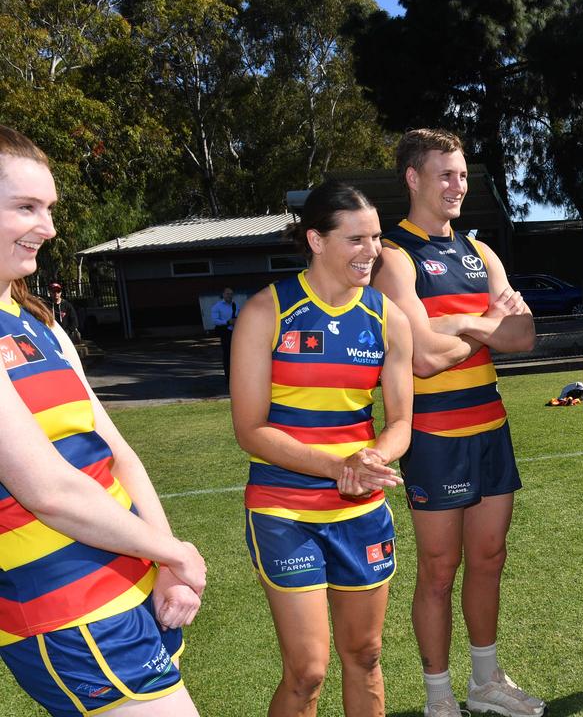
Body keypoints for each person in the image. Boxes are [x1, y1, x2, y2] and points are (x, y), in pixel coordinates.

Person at [0, 125, 208, 716]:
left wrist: (166, 558)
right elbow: (49, 492)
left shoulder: (37, 320)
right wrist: (174, 551)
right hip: (66, 605)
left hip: (133, 581)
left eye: (49, 208)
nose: (49, 226)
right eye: (26, 207)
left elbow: (117, 452)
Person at [371, 128, 541, 717]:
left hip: (490, 426)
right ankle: (439, 697)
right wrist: (485, 321)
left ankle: (485, 683)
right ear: (413, 179)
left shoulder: (480, 252)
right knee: (440, 569)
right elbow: (417, 355)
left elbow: (524, 336)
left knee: (489, 557)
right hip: (435, 435)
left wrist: (457, 326)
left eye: (462, 174)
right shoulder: (393, 256)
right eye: (444, 174)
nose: (457, 185)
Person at [230, 181, 413, 717]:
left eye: (376, 237)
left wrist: (372, 460)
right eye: (356, 239)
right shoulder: (267, 312)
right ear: (315, 240)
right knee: (308, 672)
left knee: (366, 653)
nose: (372, 251)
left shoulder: (388, 317)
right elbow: (251, 429)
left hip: (361, 508)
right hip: (284, 511)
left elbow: (400, 421)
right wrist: (339, 466)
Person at [211, 287, 237, 383]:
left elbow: (237, 315)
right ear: (223, 294)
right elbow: (215, 320)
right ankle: (228, 378)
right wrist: (227, 322)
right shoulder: (217, 306)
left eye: (231, 294)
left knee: (235, 355)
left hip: (234, 333)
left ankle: (235, 376)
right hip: (225, 333)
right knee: (227, 355)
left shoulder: (235, 305)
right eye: (227, 294)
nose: (229, 296)